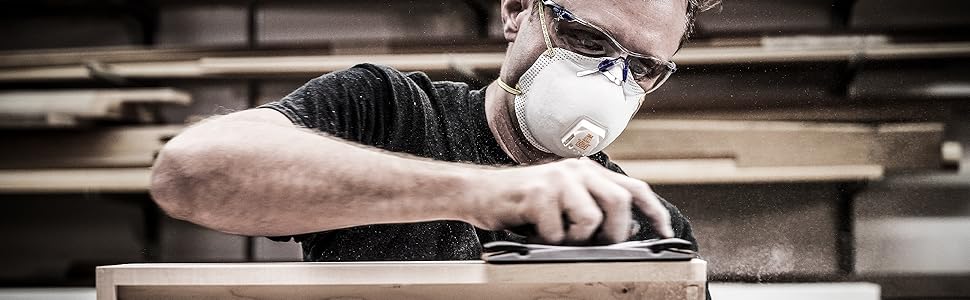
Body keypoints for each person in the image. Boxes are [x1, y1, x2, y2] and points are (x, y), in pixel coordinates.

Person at [151, 0, 719, 262]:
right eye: (587, 41)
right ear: (519, 12)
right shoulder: (387, 113)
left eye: (641, 68)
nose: (605, 80)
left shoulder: (643, 225)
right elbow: (189, 175)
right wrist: (484, 194)